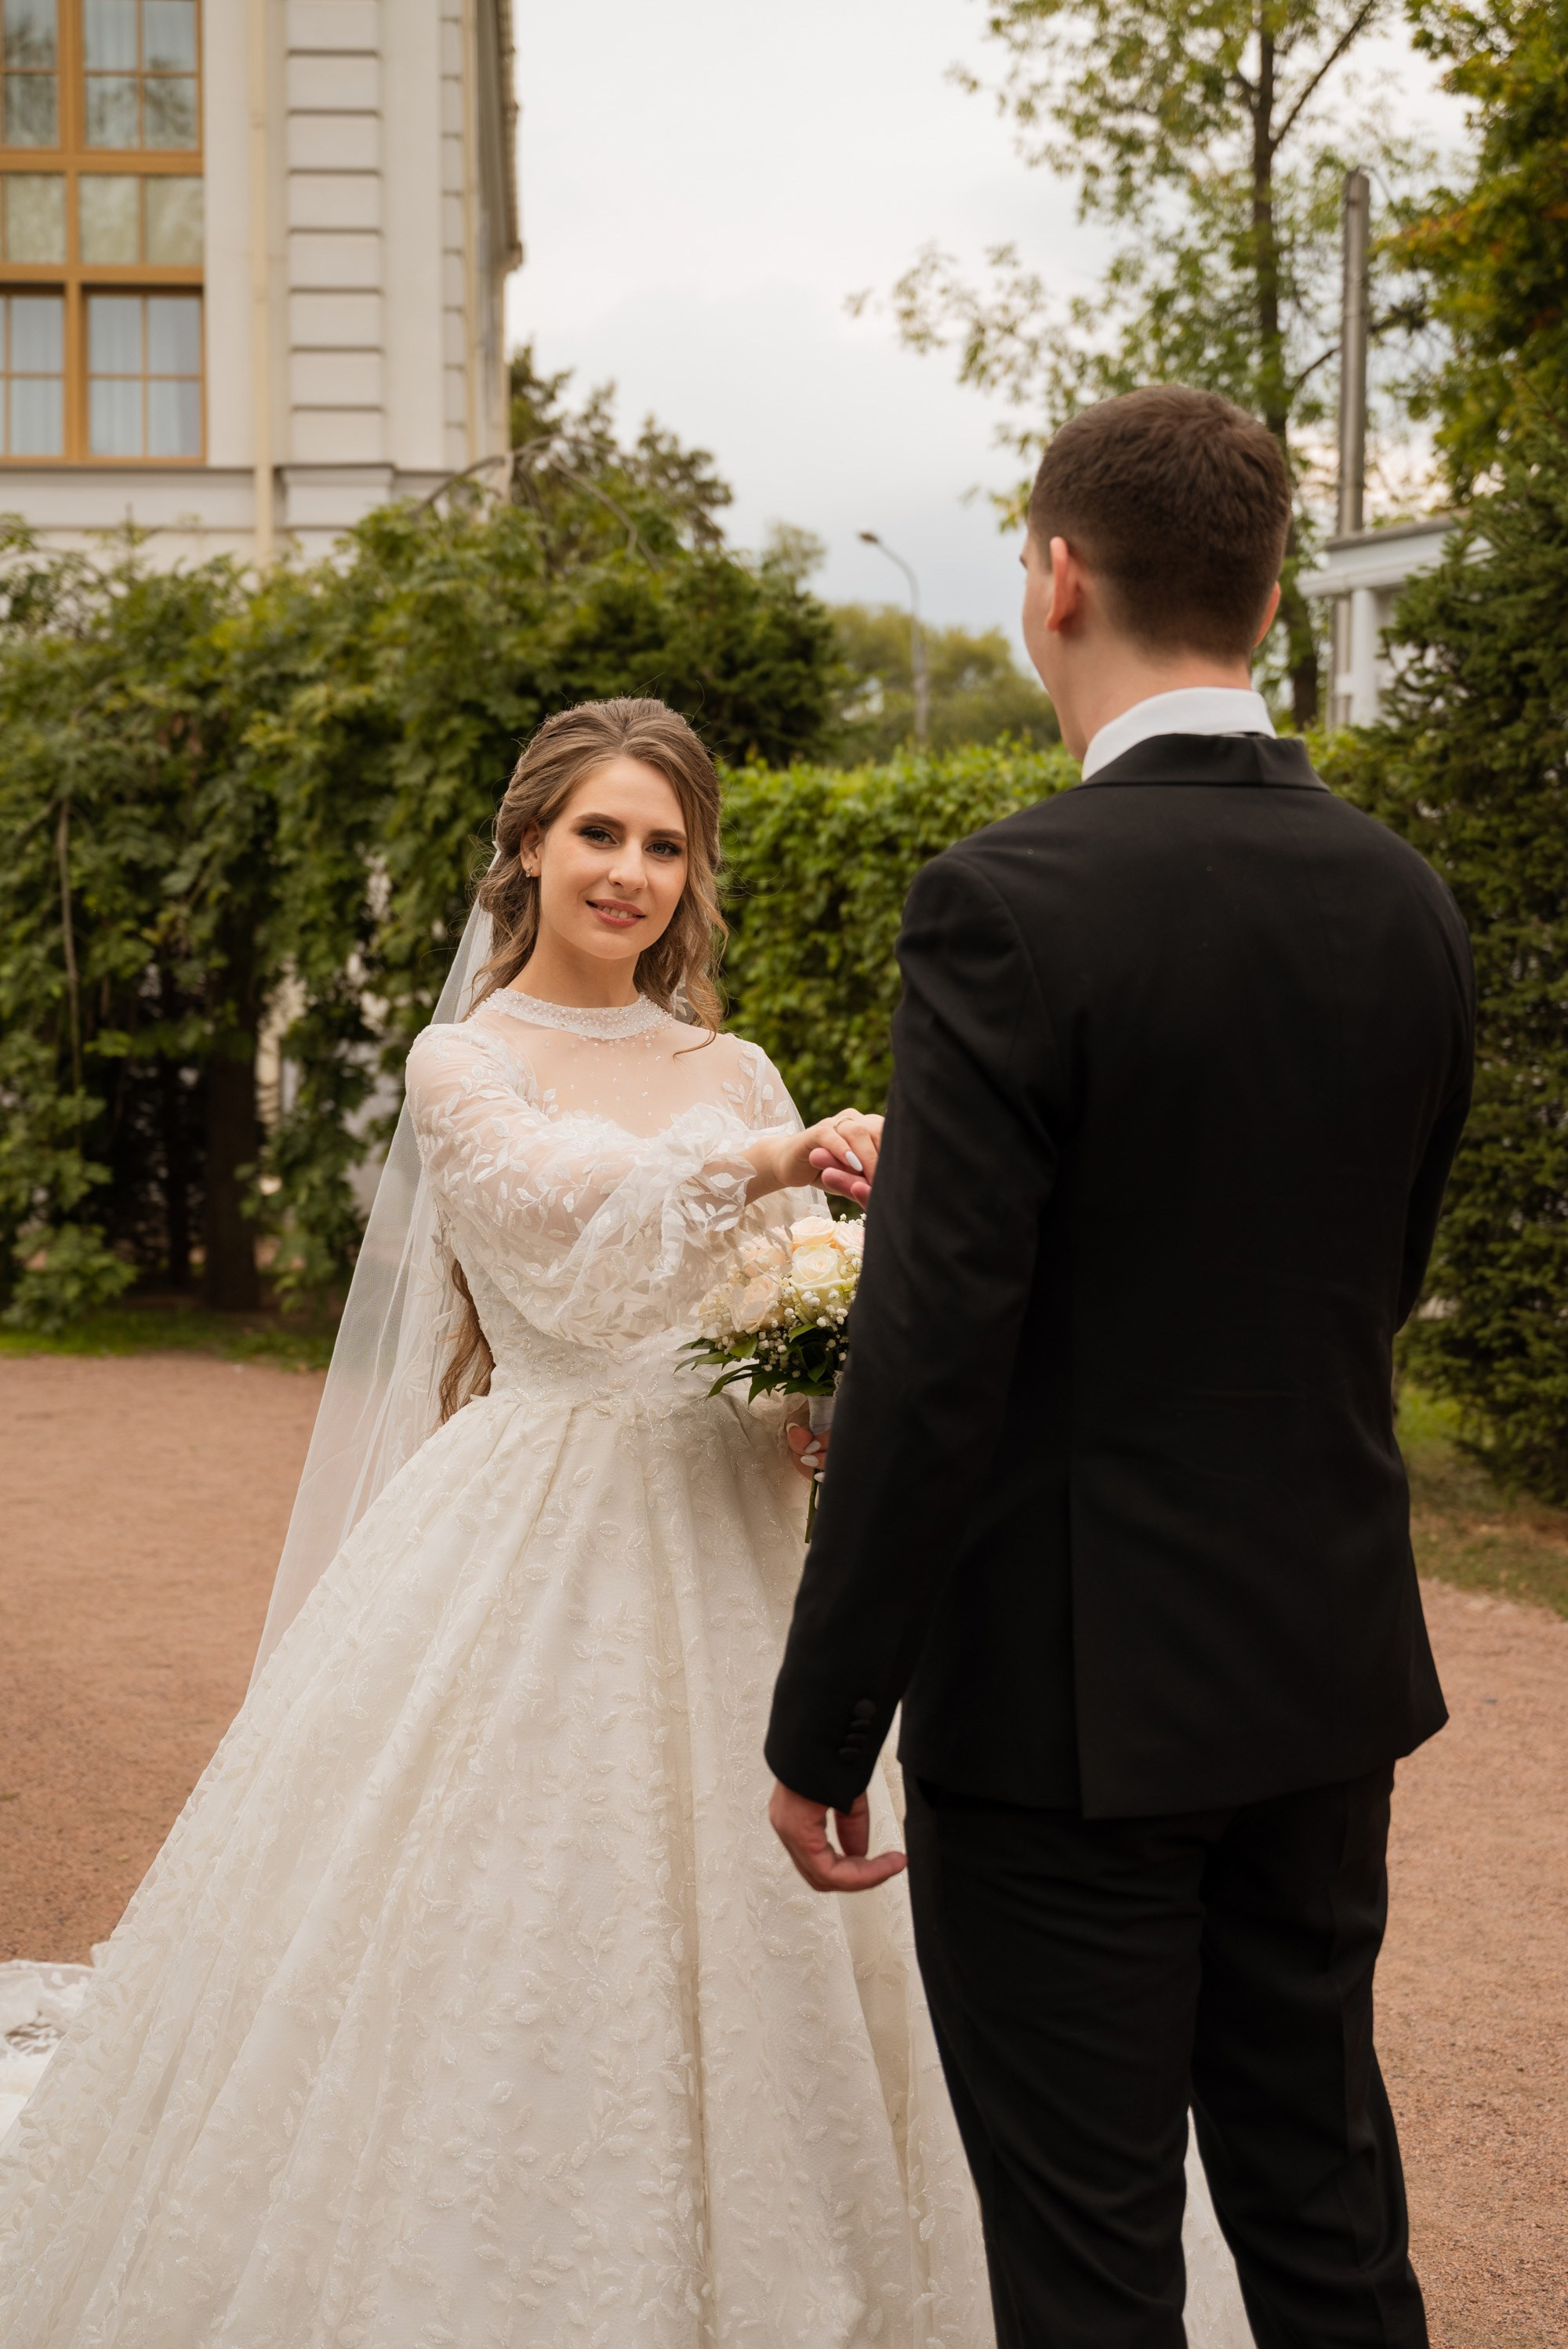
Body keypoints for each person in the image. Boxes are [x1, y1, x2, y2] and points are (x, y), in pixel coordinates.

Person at [0, 699, 995, 2347]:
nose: (630, 872)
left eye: (664, 844)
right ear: (528, 845)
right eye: (599, 833)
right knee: (501, 1925)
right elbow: (554, 1221)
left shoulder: (731, 1063)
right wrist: (768, 1160)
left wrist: (813, 1389)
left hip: (738, 1536)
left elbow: (762, 1297)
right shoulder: (464, 1058)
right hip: (534, 1535)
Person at [767, 387, 1475, 2349]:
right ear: (1268, 598)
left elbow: (932, 1361)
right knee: (1327, 2216)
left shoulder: (1005, 901)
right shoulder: (1406, 898)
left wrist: (824, 1722)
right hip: (1318, 1668)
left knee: (1088, 2264)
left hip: (1062, 1707)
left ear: (1057, 580)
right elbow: (1370, 1282)